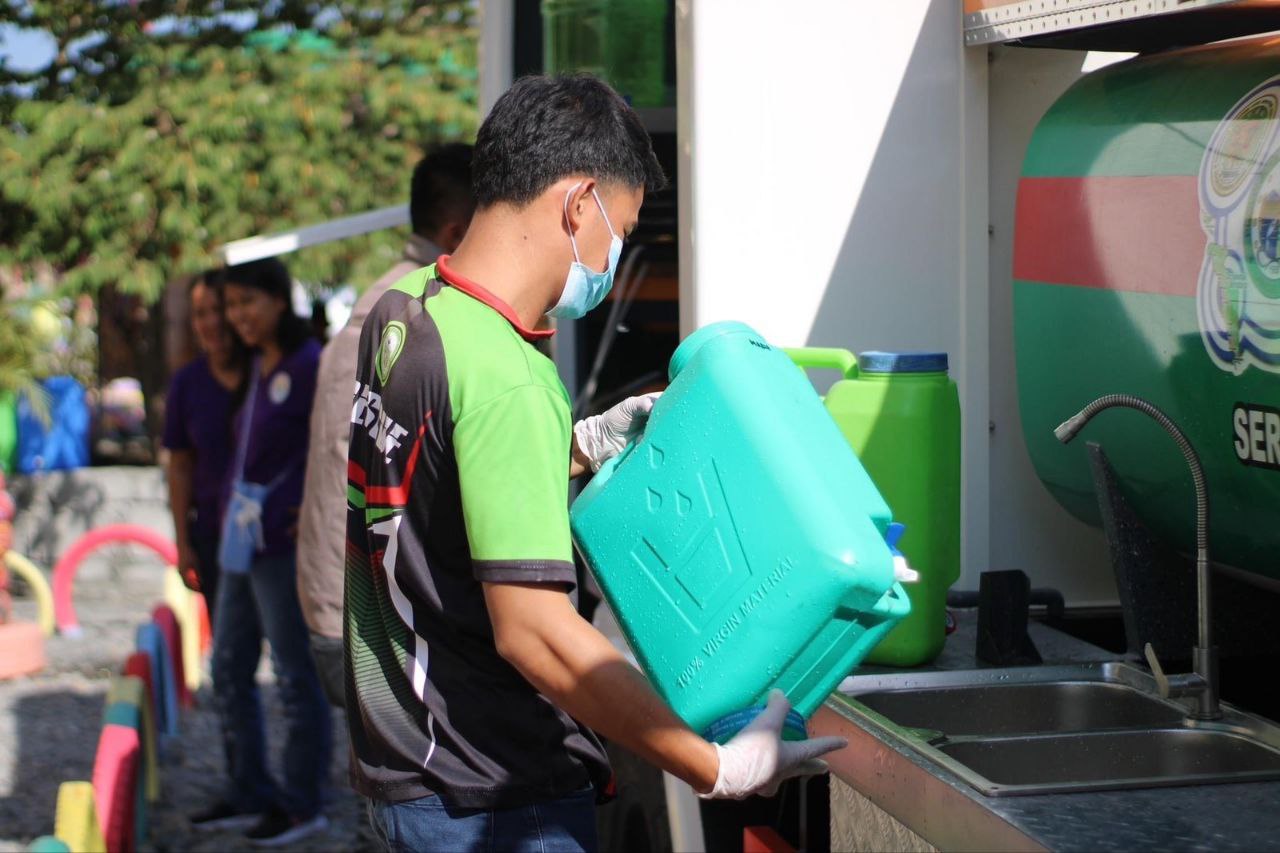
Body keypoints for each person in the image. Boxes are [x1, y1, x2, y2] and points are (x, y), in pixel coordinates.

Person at [345, 74, 845, 853]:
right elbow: (535, 634)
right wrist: (715, 766)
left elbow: (431, 494)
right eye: (623, 230)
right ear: (579, 204)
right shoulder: (509, 378)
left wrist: (575, 445)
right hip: (495, 798)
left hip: (403, 773)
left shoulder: (405, 309)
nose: (614, 258)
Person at [297, 143, 475, 708]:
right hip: (369, 616)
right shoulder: (424, 311)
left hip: (338, 601)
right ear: (456, 232)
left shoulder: (386, 298)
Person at [193, 257, 332, 847]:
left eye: (247, 301)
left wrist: (317, 504)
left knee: (294, 674)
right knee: (227, 666)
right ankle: (247, 788)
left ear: (279, 299)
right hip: (240, 545)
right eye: (231, 306)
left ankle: (302, 803)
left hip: (281, 546)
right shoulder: (256, 365)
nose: (237, 316)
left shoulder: (310, 364)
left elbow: (336, 443)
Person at [163, 271, 239, 618]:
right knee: (228, 644)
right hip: (212, 535)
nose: (211, 322)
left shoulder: (266, 372)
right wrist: (182, 544)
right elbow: (179, 467)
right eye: (200, 314)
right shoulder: (187, 383)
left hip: (274, 538)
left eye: (218, 310)